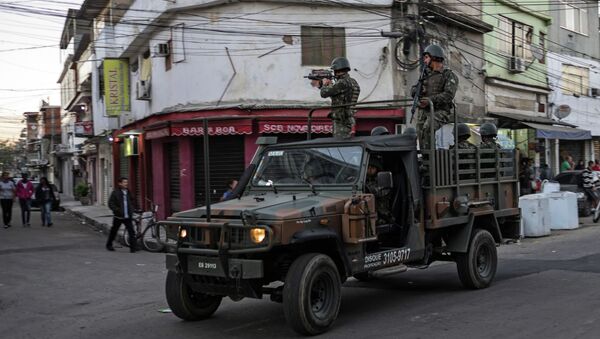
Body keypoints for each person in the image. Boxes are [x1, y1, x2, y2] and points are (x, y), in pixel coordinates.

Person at [412, 44, 459, 149]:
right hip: (425, 111)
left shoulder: (448, 75)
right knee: (419, 131)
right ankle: (425, 158)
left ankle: (430, 159)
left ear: (434, 57)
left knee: (428, 126)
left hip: (441, 111)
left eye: (426, 57)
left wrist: (430, 100)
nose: (424, 61)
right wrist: (417, 91)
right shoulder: (424, 75)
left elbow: (448, 95)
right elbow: (413, 89)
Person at [315, 57, 361, 138]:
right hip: (347, 118)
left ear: (337, 69)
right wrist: (330, 85)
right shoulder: (353, 81)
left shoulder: (342, 82)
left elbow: (323, 94)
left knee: (339, 145)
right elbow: (338, 97)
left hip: (341, 120)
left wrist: (324, 84)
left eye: (334, 70)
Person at [106, 177, 137, 252]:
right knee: (114, 231)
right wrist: (117, 210)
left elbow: (133, 201)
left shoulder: (128, 192)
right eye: (124, 182)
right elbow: (110, 203)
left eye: (126, 182)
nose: (126, 184)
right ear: (119, 183)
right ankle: (109, 244)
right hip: (118, 216)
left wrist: (133, 209)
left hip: (127, 216)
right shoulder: (115, 192)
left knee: (131, 231)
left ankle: (133, 248)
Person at [364, 157, 393, 225]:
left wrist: (365, 186)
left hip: (381, 214)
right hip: (367, 212)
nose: (370, 170)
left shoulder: (383, 180)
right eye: (368, 167)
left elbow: (379, 192)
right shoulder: (363, 180)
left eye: (372, 167)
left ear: (377, 169)